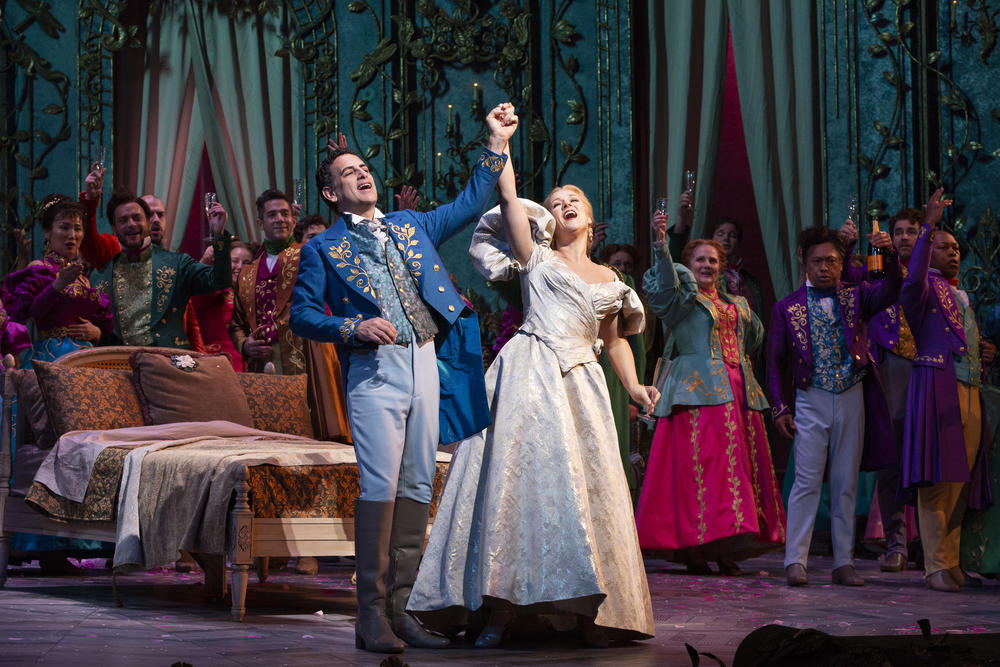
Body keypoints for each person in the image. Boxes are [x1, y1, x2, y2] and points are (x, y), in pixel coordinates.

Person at [290, 102, 517, 653]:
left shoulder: (408, 224)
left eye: (363, 167)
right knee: (380, 484)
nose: (362, 174)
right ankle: (369, 615)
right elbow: (302, 315)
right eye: (348, 172)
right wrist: (352, 325)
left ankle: (401, 608)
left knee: (418, 482)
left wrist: (496, 143)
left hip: (424, 362)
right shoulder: (322, 248)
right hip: (373, 372)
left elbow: (469, 203)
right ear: (331, 194)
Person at [408, 145, 658, 647]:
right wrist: (500, 145)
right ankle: (499, 609)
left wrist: (634, 386)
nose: (564, 204)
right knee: (514, 488)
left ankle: (588, 607)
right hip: (529, 373)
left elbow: (613, 341)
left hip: (581, 385)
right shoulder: (535, 256)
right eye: (556, 200)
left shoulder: (612, 279)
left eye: (574, 200)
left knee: (581, 493)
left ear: (590, 217)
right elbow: (508, 195)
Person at [635, 215, 785, 575]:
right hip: (697, 397)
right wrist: (661, 246)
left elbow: (754, 340)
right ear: (687, 267)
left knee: (736, 474)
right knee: (702, 473)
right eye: (699, 260)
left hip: (739, 395)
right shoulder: (682, 301)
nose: (707, 265)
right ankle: (697, 547)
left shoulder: (738, 303)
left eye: (713, 260)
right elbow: (662, 289)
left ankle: (726, 545)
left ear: (723, 266)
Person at [768, 225, 900, 587]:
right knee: (807, 482)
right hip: (811, 399)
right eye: (817, 261)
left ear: (843, 264)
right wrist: (780, 407)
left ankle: (844, 562)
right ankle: (796, 560)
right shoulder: (787, 307)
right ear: (804, 263)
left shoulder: (856, 296)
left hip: (851, 395)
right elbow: (775, 361)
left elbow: (892, 290)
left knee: (845, 481)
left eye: (831, 261)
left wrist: (887, 256)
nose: (824, 267)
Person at [0, 194, 115, 570]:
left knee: (92, 449)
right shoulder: (39, 269)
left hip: (89, 363)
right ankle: (45, 543)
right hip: (52, 359)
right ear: (48, 232)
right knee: (55, 447)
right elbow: (26, 313)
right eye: (64, 227)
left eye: (78, 228)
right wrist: (56, 285)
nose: (73, 234)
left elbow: (107, 320)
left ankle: (92, 538)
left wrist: (98, 331)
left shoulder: (84, 274)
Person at [898, 188, 996, 592]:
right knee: (938, 479)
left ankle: (951, 559)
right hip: (938, 386)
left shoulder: (960, 296)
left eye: (956, 247)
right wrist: (928, 227)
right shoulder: (921, 288)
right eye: (943, 246)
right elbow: (912, 280)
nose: (953, 252)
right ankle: (936, 564)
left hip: (969, 388)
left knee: (960, 478)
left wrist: (984, 349)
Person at [839, 207, 924, 571]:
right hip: (890, 369)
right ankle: (897, 544)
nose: (904, 237)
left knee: (929, 461)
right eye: (898, 232)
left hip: (927, 372)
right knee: (892, 463)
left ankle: (933, 546)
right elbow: (844, 282)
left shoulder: (931, 275)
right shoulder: (874, 275)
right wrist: (846, 248)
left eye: (911, 232)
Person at [89, 189, 232, 347]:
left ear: (148, 222)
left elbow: (220, 280)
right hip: (120, 365)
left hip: (167, 362)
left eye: (137, 218)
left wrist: (218, 236)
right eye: (123, 220)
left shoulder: (177, 263)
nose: (131, 224)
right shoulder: (101, 276)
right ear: (114, 228)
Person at [191, 240, 255, 371]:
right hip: (216, 364)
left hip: (248, 365)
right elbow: (195, 292)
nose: (240, 266)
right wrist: (204, 262)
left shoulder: (254, 295)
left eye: (246, 262)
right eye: (235, 261)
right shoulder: (216, 289)